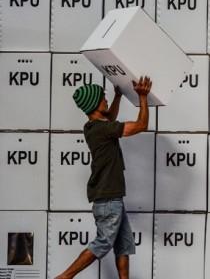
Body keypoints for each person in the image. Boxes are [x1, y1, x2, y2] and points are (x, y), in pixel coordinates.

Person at [55, 76, 152, 279]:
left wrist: (117, 97)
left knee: (123, 246)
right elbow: (141, 125)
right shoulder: (102, 129)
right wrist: (142, 96)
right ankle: (64, 277)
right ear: (95, 104)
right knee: (103, 243)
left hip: (110, 197)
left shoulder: (92, 127)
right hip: (108, 199)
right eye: (103, 98)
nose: (105, 100)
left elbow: (109, 118)